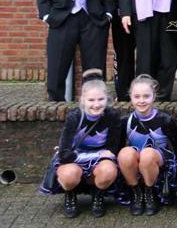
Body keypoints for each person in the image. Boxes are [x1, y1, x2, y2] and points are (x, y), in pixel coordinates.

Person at [39, 70, 121, 218]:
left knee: (108, 171)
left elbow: (112, 150)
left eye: (100, 99)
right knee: (69, 175)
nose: (96, 104)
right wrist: (97, 155)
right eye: (91, 100)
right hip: (74, 159)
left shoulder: (112, 116)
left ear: (107, 99)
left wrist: (103, 156)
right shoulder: (75, 117)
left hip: (97, 161)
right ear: (83, 100)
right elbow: (64, 154)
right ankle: (70, 194)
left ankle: (98, 195)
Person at [117, 74, 177, 216]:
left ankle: (150, 192)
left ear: (154, 97)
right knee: (125, 154)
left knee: (147, 154)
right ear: (131, 97)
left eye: (146, 96)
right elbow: (118, 147)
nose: (141, 101)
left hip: (158, 157)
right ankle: (136, 193)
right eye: (137, 96)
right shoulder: (125, 121)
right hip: (138, 156)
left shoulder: (164, 119)